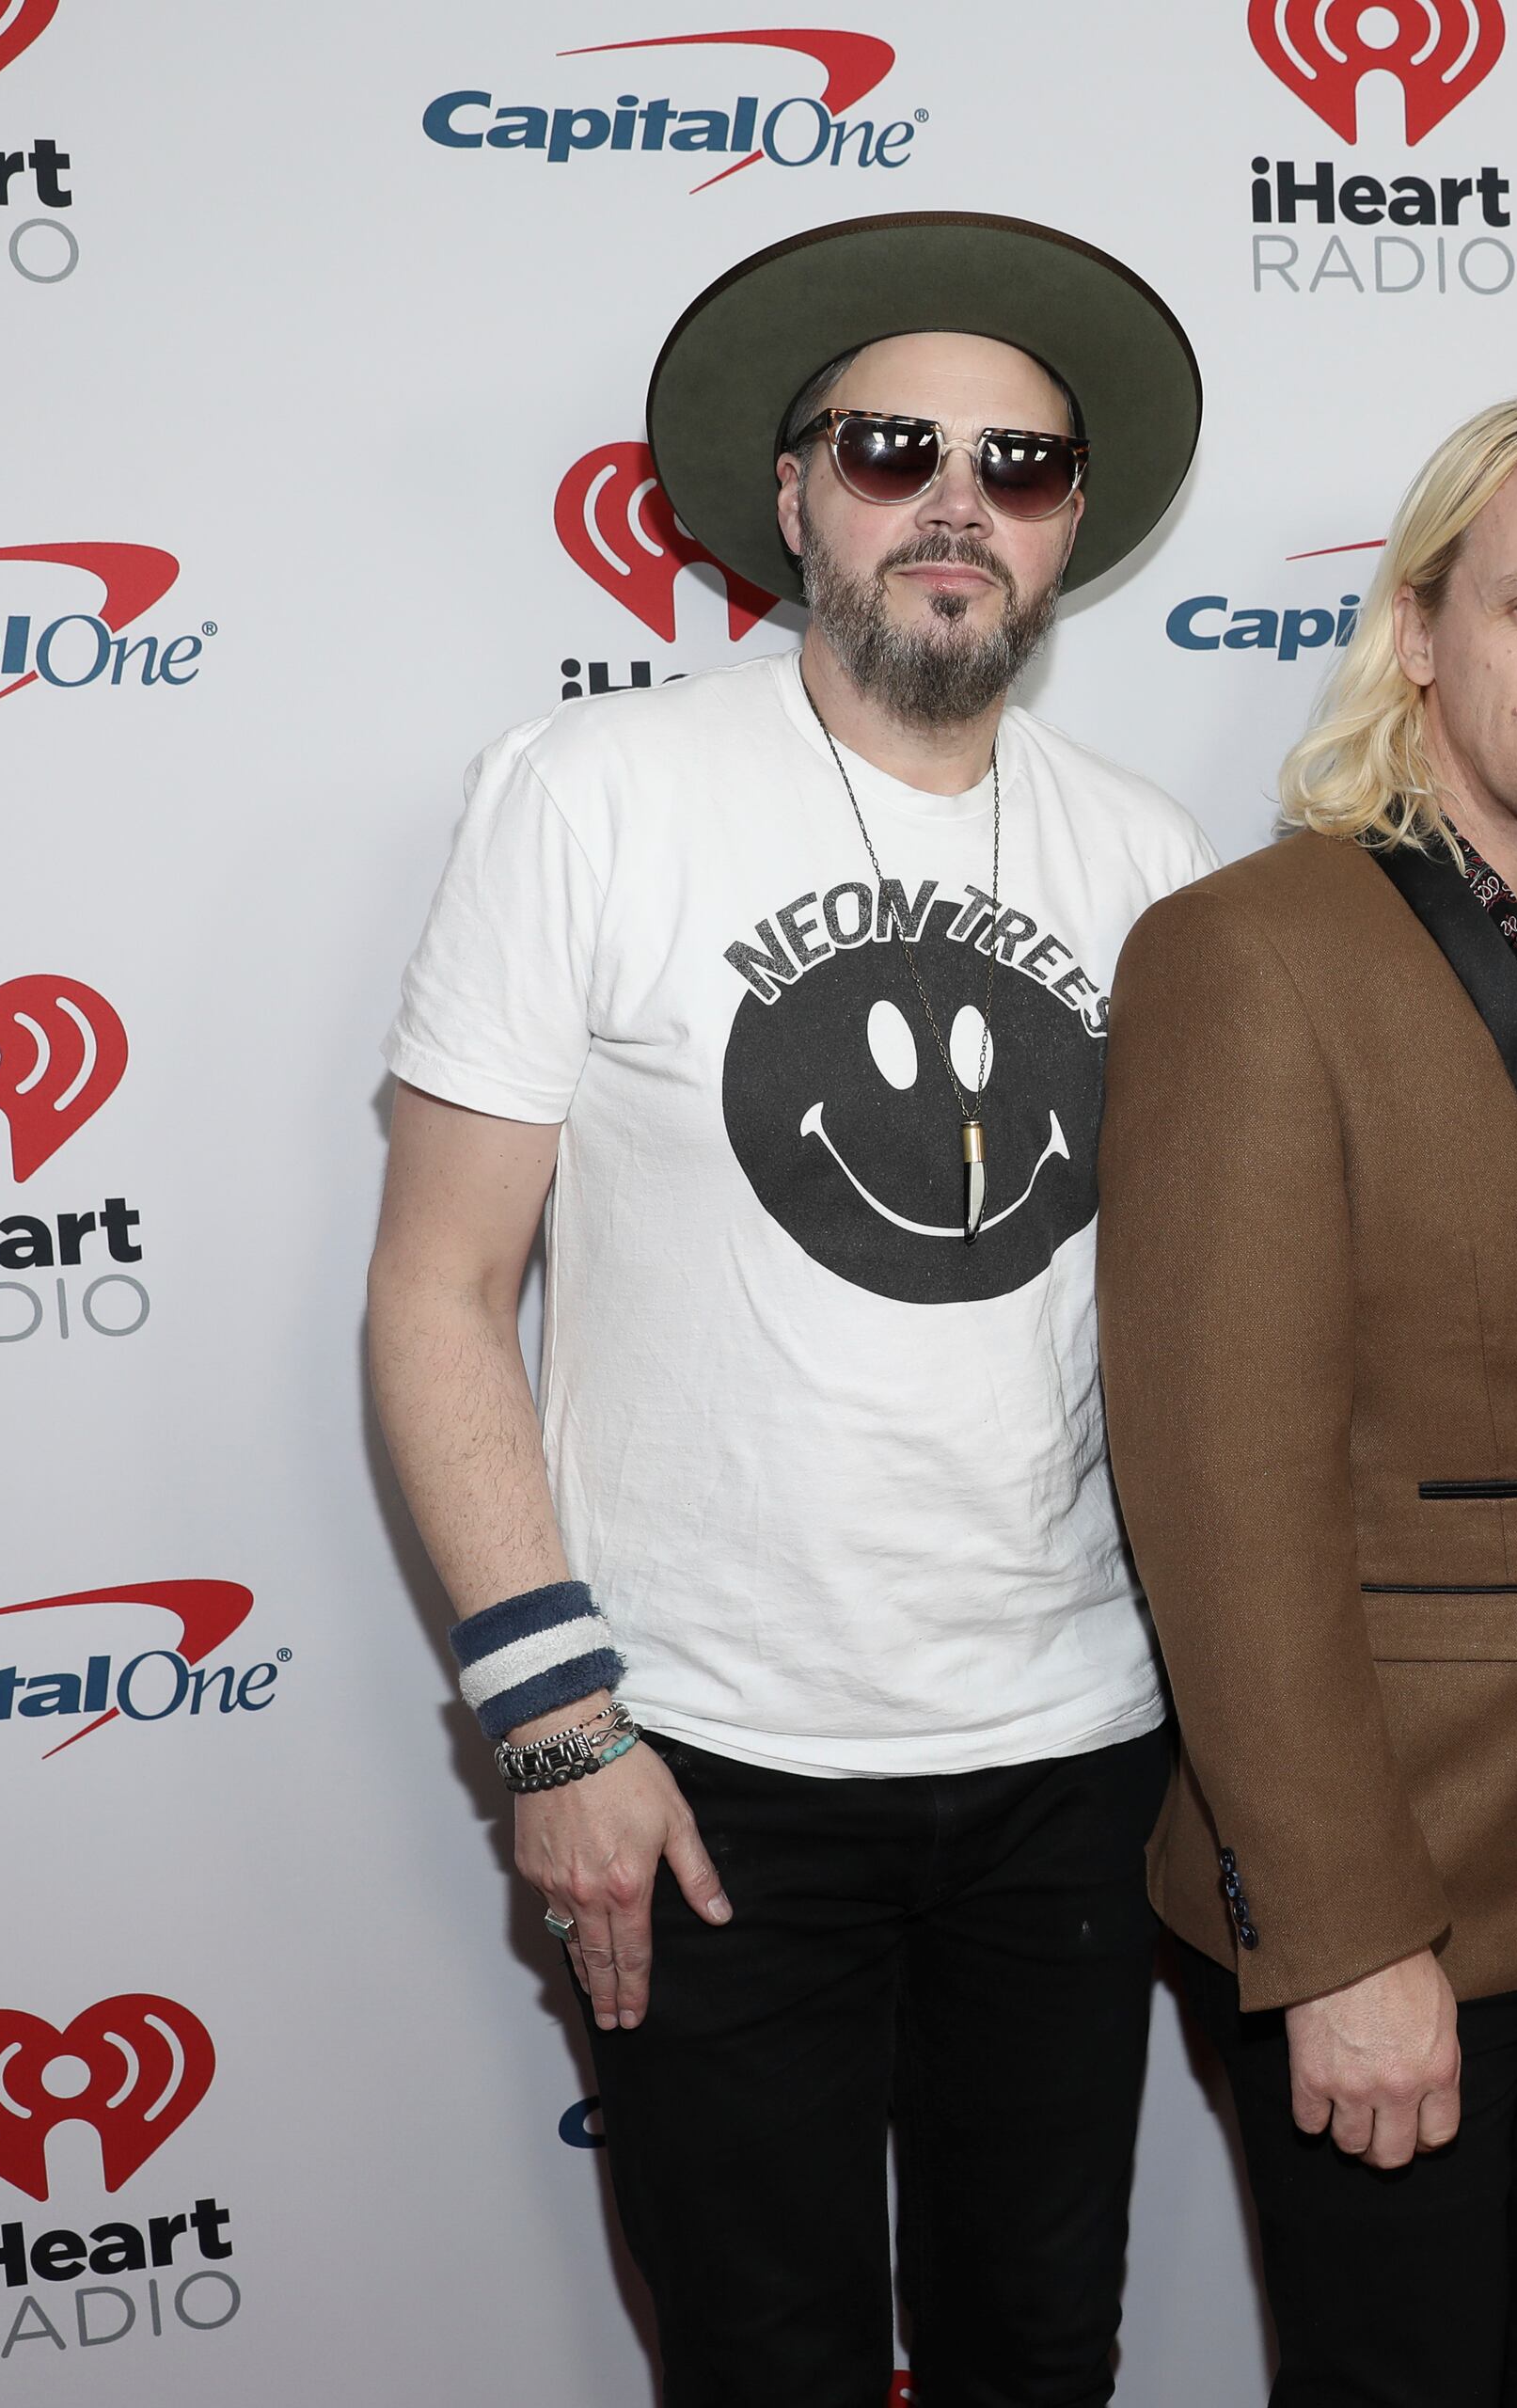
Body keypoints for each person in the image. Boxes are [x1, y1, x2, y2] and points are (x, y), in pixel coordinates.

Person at [367, 212, 1211, 2404]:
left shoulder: (1155, 860)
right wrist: (556, 1728)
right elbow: (442, 1290)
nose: (958, 501)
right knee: (766, 2360)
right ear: (793, 489)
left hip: (1069, 1755)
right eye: (896, 446)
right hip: (703, 1764)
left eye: (1017, 466)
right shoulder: (592, 793)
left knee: (1046, 2350)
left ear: (1072, 526)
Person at [1098, 393, 1517, 2407]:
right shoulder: (1247, 953)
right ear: (1417, 633)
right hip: (1395, 1873)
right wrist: (1344, 1931)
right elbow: (1222, 1489)